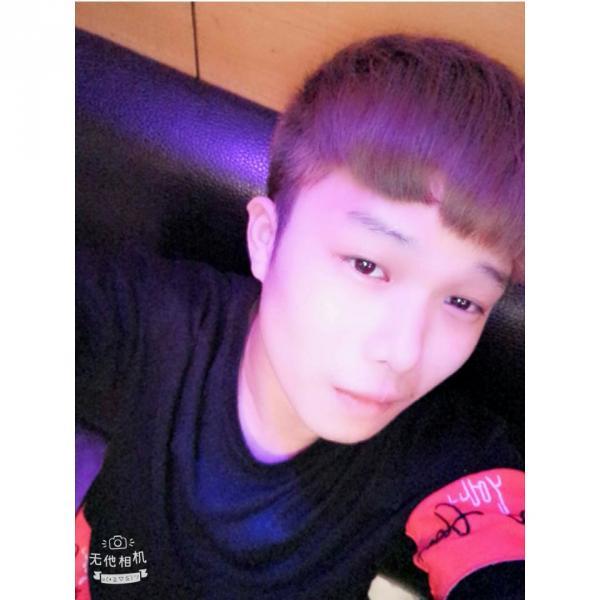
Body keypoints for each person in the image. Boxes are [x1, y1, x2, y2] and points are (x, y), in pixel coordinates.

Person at [75, 33, 524, 599]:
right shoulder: (158, 323)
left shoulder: (443, 453)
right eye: (367, 265)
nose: (404, 352)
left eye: (463, 302)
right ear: (266, 239)